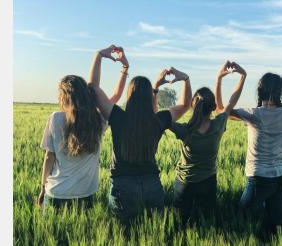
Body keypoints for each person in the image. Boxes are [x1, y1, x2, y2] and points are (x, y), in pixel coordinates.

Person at [88, 45, 192, 222]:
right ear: (149, 97)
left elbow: (92, 88)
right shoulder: (158, 120)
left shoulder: (118, 117)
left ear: (129, 96)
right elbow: (185, 104)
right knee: (153, 232)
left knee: (123, 234)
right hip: (152, 183)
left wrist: (99, 55)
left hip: (122, 184)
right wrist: (185, 79)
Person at [37, 58, 128, 209]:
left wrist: (42, 188)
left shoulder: (55, 118)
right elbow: (116, 96)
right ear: (86, 95)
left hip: (56, 193)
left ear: (63, 97)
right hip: (85, 195)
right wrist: (124, 68)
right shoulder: (98, 120)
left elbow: (49, 156)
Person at [170, 60, 247, 225]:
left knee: (180, 225)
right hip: (208, 183)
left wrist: (156, 86)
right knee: (206, 224)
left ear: (192, 106)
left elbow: (158, 119)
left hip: (184, 184)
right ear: (212, 108)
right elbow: (230, 103)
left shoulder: (184, 130)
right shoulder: (218, 125)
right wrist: (241, 76)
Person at [226, 72, 282, 234]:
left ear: (260, 90)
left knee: (240, 221)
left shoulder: (253, 114)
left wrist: (222, 78)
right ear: (280, 92)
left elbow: (223, 111)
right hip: (279, 178)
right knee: (272, 228)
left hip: (257, 179)